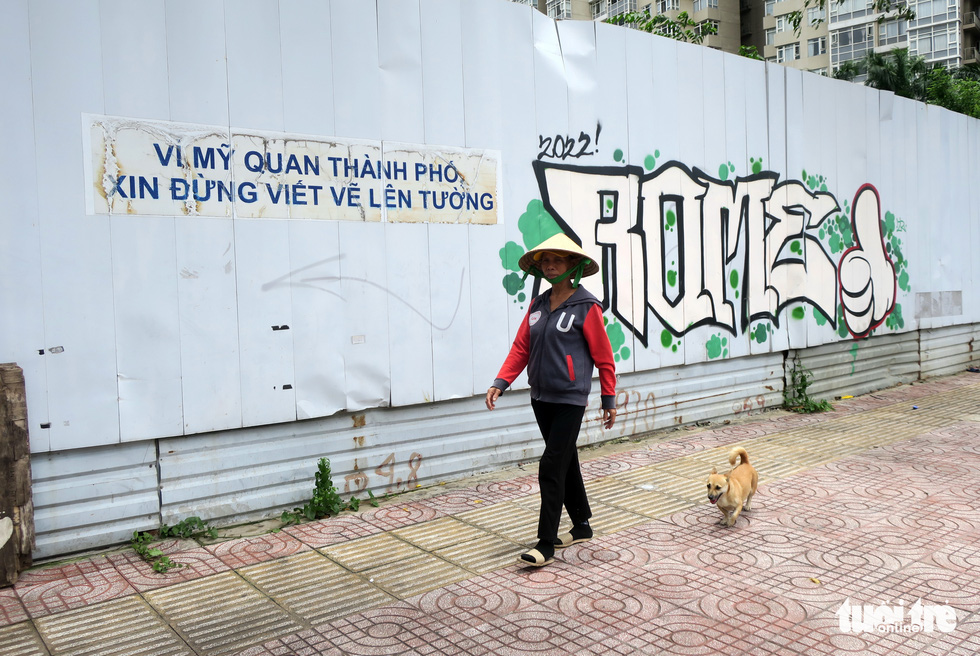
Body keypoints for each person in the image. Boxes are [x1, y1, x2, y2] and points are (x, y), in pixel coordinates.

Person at [485, 233, 617, 567]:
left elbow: (604, 356)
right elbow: (521, 348)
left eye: (557, 259)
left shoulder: (586, 307)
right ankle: (582, 524)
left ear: (574, 264)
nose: (549, 264)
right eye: (545, 260)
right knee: (565, 459)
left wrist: (608, 397)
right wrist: (501, 381)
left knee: (551, 465)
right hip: (540, 397)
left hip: (570, 399)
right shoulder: (538, 305)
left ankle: (545, 543)